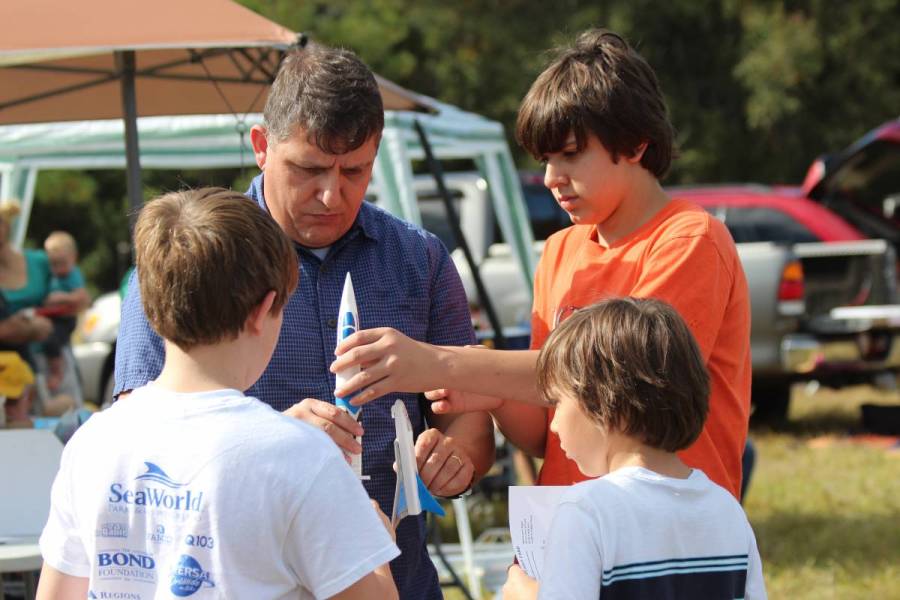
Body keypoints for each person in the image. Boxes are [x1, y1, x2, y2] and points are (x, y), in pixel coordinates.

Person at [113, 45, 494, 599]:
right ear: (261, 147)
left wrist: (455, 458)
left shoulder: (420, 259)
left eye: (355, 171)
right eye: (309, 169)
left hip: (398, 581)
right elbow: (134, 443)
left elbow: (472, 417)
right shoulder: (187, 258)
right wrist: (272, 443)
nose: (331, 194)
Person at [331, 28, 751, 500]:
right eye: (545, 159)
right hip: (570, 522)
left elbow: (628, 389)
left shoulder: (689, 240)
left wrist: (446, 364)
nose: (551, 177)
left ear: (636, 144)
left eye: (570, 155)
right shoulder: (559, 251)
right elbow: (546, 435)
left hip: (658, 526)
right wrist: (495, 396)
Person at [37, 188, 400, 600]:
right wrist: (375, 547)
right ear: (262, 311)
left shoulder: (92, 442)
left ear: (151, 307)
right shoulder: (301, 456)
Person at [501, 298, 766, 600]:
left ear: (604, 402)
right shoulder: (727, 510)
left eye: (557, 402)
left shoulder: (585, 510)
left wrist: (527, 595)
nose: (554, 424)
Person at [41, 231, 90, 391]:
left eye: (62, 263)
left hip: (64, 319)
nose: (58, 269)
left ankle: (57, 372)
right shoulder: (50, 276)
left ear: (73, 258)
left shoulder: (72, 275)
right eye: (53, 264)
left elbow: (81, 296)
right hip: (51, 317)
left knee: (53, 341)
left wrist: (62, 297)